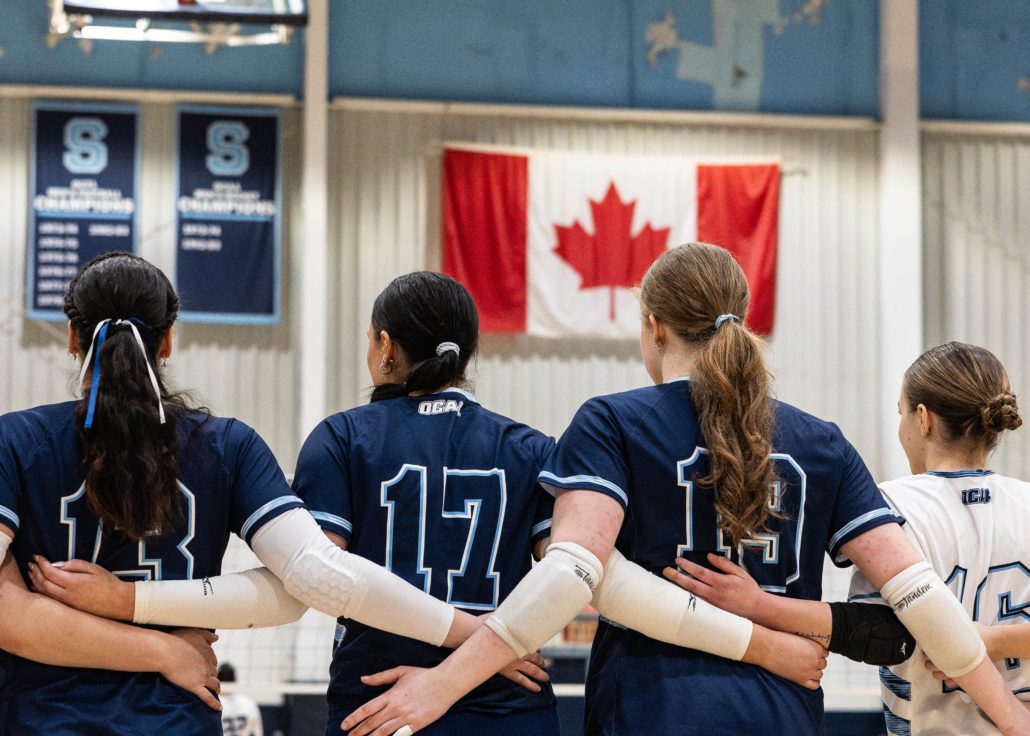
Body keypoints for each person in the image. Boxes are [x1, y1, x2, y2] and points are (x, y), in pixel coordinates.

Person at [32, 270, 824, 734]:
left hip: (376, 701)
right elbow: (581, 581)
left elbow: (318, 580)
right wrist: (492, 641)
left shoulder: (343, 438)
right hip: (506, 700)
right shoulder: (530, 448)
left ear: (384, 347)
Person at [339, 244, 1030, 736]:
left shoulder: (612, 421)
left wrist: (445, 682)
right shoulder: (820, 440)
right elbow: (919, 598)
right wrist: (1011, 717)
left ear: (654, 325)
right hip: (783, 711)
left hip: (651, 706)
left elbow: (574, 572)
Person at [1, 253, 509, 734]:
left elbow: (11, 616)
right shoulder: (226, 445)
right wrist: (490, 638)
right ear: (168, 341)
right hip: (173, 718)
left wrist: (125, 606)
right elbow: (308, 581)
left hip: (38, 718)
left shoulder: (14, 441)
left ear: (72, 336)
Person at [666, 342, 1030, 735]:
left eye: (901, 413)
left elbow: (876, 631)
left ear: (923, 419)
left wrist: (758, 605)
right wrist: (997, 641)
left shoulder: (891, 505)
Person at [218, 663, 264, 736]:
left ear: (217, 680)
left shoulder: (213, 704)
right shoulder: (249, 704)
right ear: (235, 679)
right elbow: (258, 732)